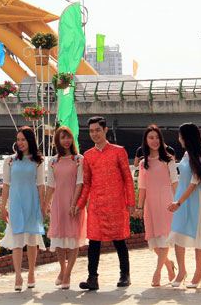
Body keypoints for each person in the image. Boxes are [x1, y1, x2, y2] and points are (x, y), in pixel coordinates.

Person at [75, 116, 136, 290]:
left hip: (116, 204)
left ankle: (125, 275)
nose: (95, 134)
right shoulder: (88, 155)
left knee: (119, 240)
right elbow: (86, 183)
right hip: (96, 205)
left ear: (105, 130)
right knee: (94, 242)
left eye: (98, 130)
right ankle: (92, 278)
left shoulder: (119, 151)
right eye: (92, 131)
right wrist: (80, 205)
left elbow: (128, 179)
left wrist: (131, 202)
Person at [166, 123, 201, 289]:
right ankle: (182, 272)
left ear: (186, 137)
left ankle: (198, 272)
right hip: (181, 198)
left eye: (180, 136)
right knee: (178, 231)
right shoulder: (186, 155)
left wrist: (179, 202)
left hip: (194, 200)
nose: (179, 139)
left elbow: (194, 183)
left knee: (198, 233)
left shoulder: (199, 155)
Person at [0, 126, 46, 291]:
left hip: (32, 202)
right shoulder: (10, 160)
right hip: (16, 203)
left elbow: (40, 185)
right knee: (17, 241)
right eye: (18, 140)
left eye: (23, 140)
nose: (20, 143)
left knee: (32, 241)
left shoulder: (38, 161)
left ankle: (32, 273)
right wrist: (2, 206)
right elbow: (6, 184)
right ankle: (18, 275)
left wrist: (43, 206)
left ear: (30, 140)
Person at [134, 125, 178, 286]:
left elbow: (175, 182)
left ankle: (157, 272)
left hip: (166, 202)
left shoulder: (168, 160)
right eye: (151, 138)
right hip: (150, 205)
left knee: (163, 239)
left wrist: (178, 202)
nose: (155, 141)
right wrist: (139, 206)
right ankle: (168, 264)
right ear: (146, 141)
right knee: (153, 241)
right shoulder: (144, 163)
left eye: (157, 137)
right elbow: (142, 187)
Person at [44, 126, 87, 289]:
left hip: (74, 203)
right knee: (58, 238)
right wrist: (45, 204)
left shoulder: (79, 159)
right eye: (62, 137)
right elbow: (50, 185)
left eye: (68, 137)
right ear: (57, 140)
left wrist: (74, 203)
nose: (66, 140)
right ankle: (62, 269)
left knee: (73, 238)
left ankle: (68, 274)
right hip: (58, 203)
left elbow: (80, 182)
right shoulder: (53, 161)